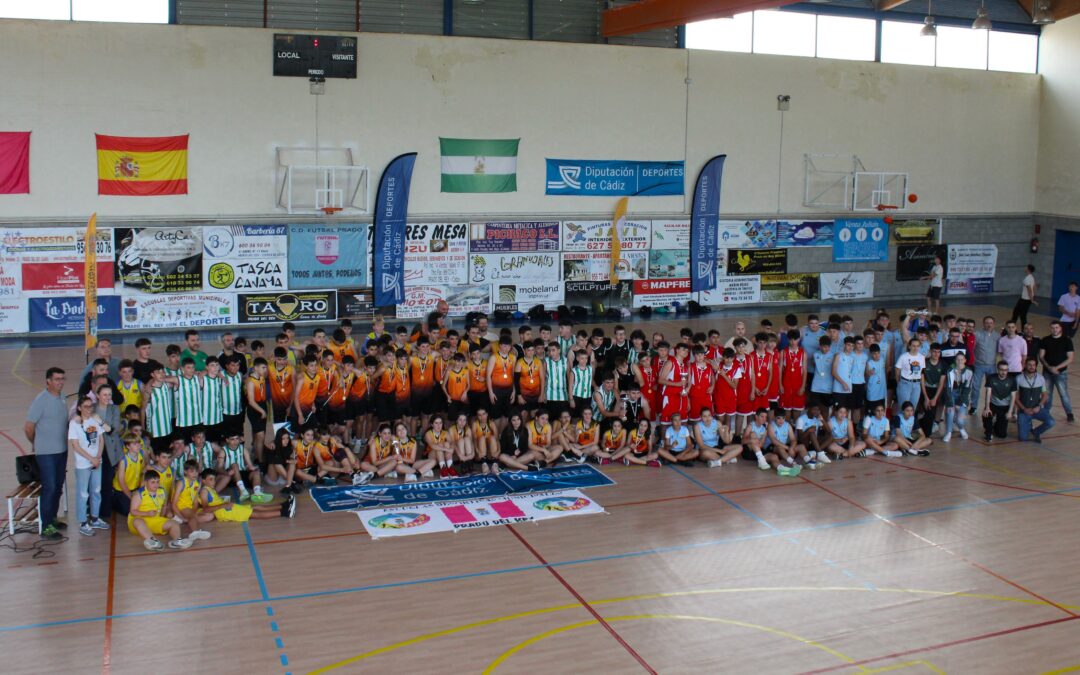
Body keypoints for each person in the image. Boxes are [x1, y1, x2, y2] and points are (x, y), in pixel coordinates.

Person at [25, 367, 70, 540]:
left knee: (58, 486)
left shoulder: (62, 398)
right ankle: (45, 527)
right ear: (48, 381)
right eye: (57, 379)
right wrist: (36, 443)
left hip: (61, 451)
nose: (60, 382)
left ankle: (52, 518)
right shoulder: (41, 400)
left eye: (62, 379)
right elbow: (28, 427)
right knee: (49, 487)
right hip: (46, 454)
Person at [69, 396, 110, 537]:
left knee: (96, 490)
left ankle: (94, 517)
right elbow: (75, 445)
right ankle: (82, 522)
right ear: (79, 408)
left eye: (90, 406)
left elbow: (101, 438)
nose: (89, 409)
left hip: (97, 462)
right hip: (83, 464)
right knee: (83, 493)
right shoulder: (74, 424)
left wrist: (98, 457)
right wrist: (91, 458)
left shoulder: (94, 420)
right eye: (85, 406)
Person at [128, 470, 193, 552]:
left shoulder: (162, 491)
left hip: (154, 519)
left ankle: (177, 541)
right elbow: (133, 511)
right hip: (138, 520)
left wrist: (164, 517)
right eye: (153, 482)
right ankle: (153, 541)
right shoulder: (138, 494)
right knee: (138, 521)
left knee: (174, 523)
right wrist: (146, 513)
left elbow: (164, 506)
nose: (156, 484)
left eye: (157, 482)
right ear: (145, 482)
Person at [199, 469, 295, 523]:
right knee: (254, 514)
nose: (214, 481)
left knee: (254, 508)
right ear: (203, 481)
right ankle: (285, 512)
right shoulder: (204, 491)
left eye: (214, 479)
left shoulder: (210, 489)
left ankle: (283, 505)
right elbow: (205, 509)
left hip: (225, 508)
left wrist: (224, 504)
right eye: (210, 479)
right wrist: (223, 505)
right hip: (224, 512)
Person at [1039, 320, 1075, 422]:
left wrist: (1057, 368)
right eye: (1053, 328)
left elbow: (1070, 358)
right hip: (1047, 373)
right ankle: (1046, 412)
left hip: (1061, 373)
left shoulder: (1067, 340)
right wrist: (1049, 367)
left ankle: (1069, 413)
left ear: (1060, 328)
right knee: (1047, 394)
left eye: (1057, 327)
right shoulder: (1045, 340)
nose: (1055, 330)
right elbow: (1041, 356)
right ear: (1050, 328)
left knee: (1063, 394)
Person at [1015, 357, 1055, 443]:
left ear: (1036, 366)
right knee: (1022, 438)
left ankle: (1035, 432)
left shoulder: (1041, 378)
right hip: (1024, 411)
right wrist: (1023, 409)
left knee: (1051, 422)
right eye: (1029, 365)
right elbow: (1016, 397)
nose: (1032, 367)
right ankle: (1028, 425)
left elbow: (1045, 395)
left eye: (1033, 365)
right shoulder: (1018, 378)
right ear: (1025, 365)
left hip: (1037, 409)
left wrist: (1039, 406)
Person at [970, 316, 999, 415]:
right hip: (978, 365)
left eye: (991, 323)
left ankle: (990, 405)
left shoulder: (997, 336)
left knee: (991, 387)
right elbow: (972, 349)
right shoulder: (977, 335)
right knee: (975, 386)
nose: (989, 325)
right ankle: (973, 406)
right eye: (987, 322)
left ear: (994, 324)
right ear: (983, 324)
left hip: (992, 365)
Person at [981, 362, 1016, 442]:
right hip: (993, 404)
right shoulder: (991, 378)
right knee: (986, 415)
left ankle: (995, 425)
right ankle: (988, 432)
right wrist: (987, 408)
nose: (1004, 372)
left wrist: (1010, 412)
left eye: (1006, 370)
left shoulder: (1012, 380)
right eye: (1001, 370)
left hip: (1005, 406)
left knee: (1002, 435)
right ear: (997, 369)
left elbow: (1013, 397)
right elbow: (988, 393)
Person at [943, 353, 973, 442]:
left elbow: (967, 389)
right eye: (957, 359)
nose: (960, 361)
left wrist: (960, 403)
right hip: (951, 394)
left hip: (962, 396)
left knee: (961, 420)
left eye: (961, 359)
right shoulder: (950, 370)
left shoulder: (969, 372)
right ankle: (948, 432)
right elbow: (948, 388)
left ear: (965, 360)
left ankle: (961, 428)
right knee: (950, 412)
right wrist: (951, 404)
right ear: (955, 361)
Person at [894, 339, 925, 410]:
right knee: (903, 408)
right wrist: (899, 382)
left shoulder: (922, 357)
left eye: (917, 346)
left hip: (917, 385)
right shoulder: (903, 357)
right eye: (913, 346)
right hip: (905, 383)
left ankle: (911, 421)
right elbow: (897, 370)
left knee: (912, 409)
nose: (916, 348)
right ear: (909, 346)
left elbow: (921, 372)